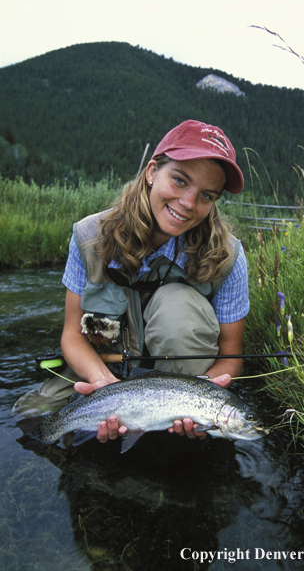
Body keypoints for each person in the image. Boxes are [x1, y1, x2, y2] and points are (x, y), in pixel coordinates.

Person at [48, 120, 250, 443]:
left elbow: (232, 356)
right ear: (152, 171)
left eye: (206, 196)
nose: (188, 203)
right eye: (180, 180)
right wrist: (105, 387)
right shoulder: (89, 238)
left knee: (177, 310)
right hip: (100, 374)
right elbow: (72, 336)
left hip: (177, 398)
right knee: (33, 418)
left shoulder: (228, 258)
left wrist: (203, 403)